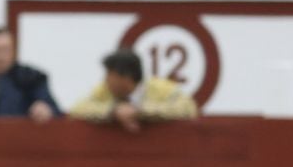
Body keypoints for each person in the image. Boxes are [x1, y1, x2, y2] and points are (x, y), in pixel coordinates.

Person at [69, 49, 200, 129]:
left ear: (126, 78)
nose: (106, 80)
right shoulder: (104, 90)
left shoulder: (161, 89)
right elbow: (76, 109)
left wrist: (141, 111)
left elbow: (188, 108)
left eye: (109, 75)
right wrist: (113, 111)